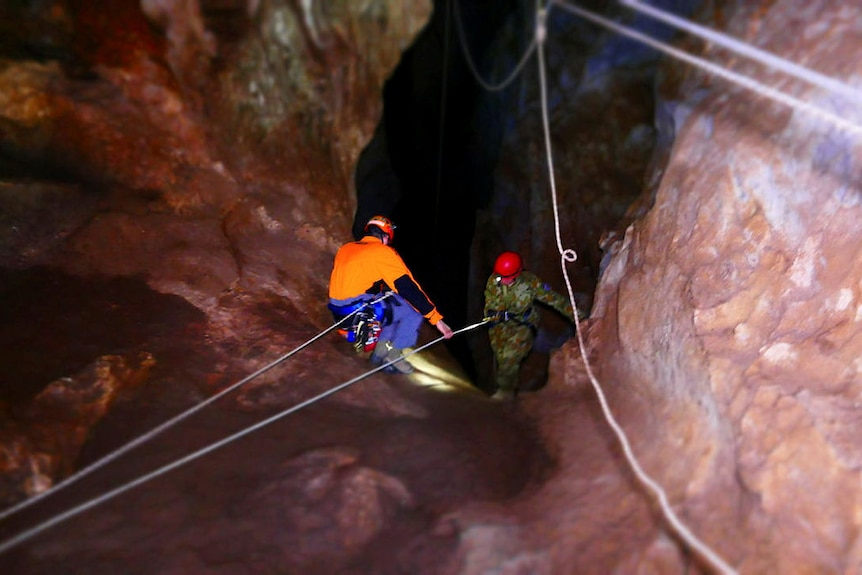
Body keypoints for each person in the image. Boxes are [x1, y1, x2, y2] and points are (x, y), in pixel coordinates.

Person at [328, 215, 454, 374]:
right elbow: (408, 288)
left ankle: (379, 353)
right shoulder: (383, 252)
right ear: (385, 236)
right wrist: (437, 320)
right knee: (412, 311)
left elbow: (357, 280)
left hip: (339, 313)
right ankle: (394, 356)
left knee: (393, 306)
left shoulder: (346, 248)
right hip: (359, 314)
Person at [483, 251, 582, 400]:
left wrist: (578, 317)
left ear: (517, 275)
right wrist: (496, 313)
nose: (503, 281)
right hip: (499, 323)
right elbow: (491, 301)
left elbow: (555, 300)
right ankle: (506, 383)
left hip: (523, 323)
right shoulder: (494, 280)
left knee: (509, 357)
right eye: (501, 277)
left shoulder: (530, 284)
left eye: (507, 278)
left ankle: (506, 392)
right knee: (500, 354)